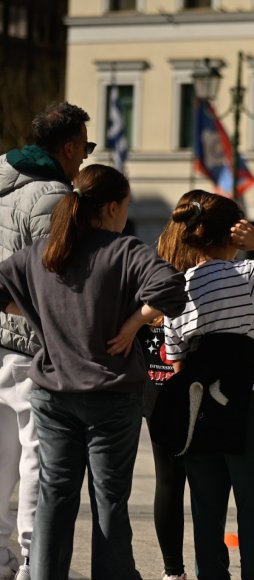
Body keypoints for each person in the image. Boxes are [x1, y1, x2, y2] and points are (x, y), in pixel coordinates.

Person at [0, 164, 187, 580]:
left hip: (53, 393)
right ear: (112, 208)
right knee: (109, 500)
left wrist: (37, 316)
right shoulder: (126, 251)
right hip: (111, 393)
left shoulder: (43, 252)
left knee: (54, 496)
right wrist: (134, 322)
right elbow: (173, 287)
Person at [159, 191, 254, 580]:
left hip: (199, 412)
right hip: (246, 405)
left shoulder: (177, 289)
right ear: (233, 234)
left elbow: (177, 362)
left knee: (206, 513)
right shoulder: (247, 275)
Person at [0, 102, 92, 580]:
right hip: (31, 345)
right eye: (86, 148)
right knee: (40, 456)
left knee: (0, 461)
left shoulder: (2, 182)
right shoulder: (55, 197)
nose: (84, 159)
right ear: (69, 148)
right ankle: (36, 562)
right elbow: (59, 278)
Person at [137, 190, 207, 580]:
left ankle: (172, 571)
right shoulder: (205, 272)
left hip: (156, 385)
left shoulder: (151, 265)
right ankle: (208, 567)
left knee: (168, 479)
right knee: (206, 481)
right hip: (197, 385)